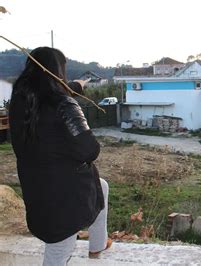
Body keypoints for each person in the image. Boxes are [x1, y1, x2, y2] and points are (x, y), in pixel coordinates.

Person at [9, 47, 111, 265]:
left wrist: (77, 86)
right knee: (57, 255)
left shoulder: (21, 103)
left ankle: (98, 245)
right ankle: (96, 246)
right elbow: (90, 150)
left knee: (101, 186)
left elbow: (53, 94)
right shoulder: (64, 105)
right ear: (57, 71)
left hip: (37, 190)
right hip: (63, 199)